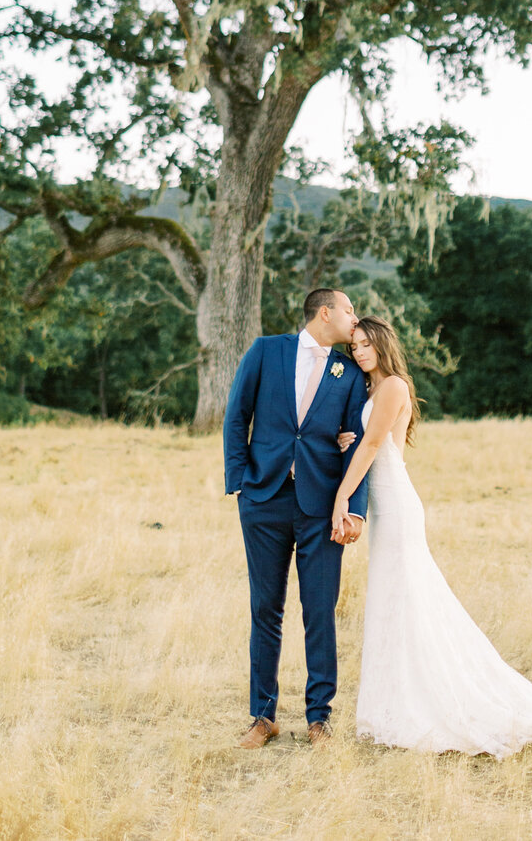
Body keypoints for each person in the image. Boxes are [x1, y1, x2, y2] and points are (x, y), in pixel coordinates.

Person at [332, 316, 532, 760]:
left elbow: (374, 449)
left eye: (366, 344)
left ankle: (427, 705)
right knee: (393, 601)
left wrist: (342, 497)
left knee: (407, 599)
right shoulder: (372, 391)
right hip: (386, 508)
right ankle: (394, 705)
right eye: (355, 347)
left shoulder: (393, 387)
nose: (359, 353)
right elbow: (373, 442)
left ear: (383, 344)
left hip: (398, 506)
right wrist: (352, 439)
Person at [223, 288, 369, 749]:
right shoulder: (267, 351)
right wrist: (239, 482)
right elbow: (236, 415)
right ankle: (262, 717)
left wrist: (356, 509)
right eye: (349, 310)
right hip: (263, 500)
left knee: (320, 611)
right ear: (325, 313)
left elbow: (359, 443)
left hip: (322, 506)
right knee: (265, 609)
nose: (355, 318)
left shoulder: (349, 372)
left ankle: (319, 718)